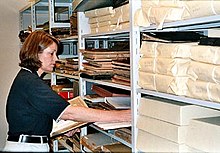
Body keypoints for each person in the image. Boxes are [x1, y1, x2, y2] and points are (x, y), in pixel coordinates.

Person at [3, 30, 131, 152]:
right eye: (51, 53)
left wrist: (61, 128)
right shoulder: (31, 82)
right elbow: (70, 113)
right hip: (27, 148)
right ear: (36, 53)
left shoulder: (27, 78)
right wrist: (122, 115)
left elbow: (31, 118)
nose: (56, 59)